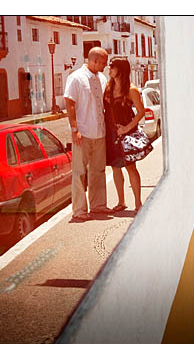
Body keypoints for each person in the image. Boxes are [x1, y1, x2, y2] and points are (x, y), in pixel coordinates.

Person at [64, 47, 113, 221]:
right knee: (79, 173)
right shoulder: (76, 78)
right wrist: (75, 129)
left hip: (100, 133)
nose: (105, 66)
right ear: (95, 61)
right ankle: (79, 210)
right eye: (103, 62)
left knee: (98, 171)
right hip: (82, 134)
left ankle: (98, 205)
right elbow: (69, 103)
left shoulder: (102, 78)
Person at [103, 57, 149, 212]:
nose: (108, 69)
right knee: (115, 168)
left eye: (112, 66)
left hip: (126, 135)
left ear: (120, 69)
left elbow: (141, 112)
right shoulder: (108, 88)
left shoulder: (131, 89)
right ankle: (121, 202)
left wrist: (126, 128)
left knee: (131, 168)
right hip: (111, 134)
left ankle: (138, 203)